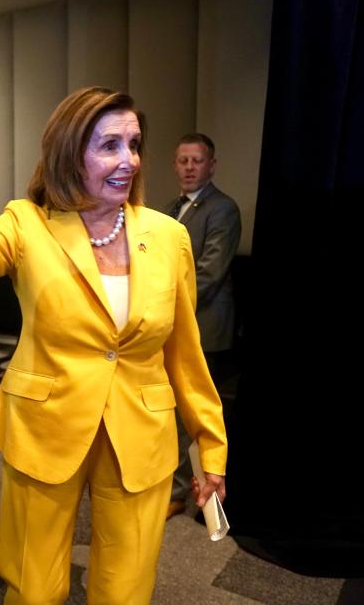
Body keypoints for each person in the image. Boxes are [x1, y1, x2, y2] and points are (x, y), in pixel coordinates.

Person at [0, 85, 227, 604]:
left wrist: (210, 446)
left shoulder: (170, 236)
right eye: (109, 146)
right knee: (34, 585)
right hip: (45, 429)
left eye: (134, 144)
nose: (128, 160)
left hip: (141, 431)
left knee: (126, 587)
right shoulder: (26, 224)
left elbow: (185, 357)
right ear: (69, 153)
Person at [163, 133, 241, 520]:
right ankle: (172, 482)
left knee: (188, 415)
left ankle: (180, 493)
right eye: (183, 160)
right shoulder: (171, 208)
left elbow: (208, 275)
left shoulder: (223, 209)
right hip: (174, 326)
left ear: (211, 165)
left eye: (197, 161)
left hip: (204, 328)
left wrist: (162, 309)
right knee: (169, 411)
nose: (189, 168)